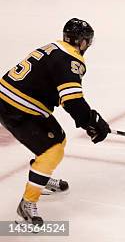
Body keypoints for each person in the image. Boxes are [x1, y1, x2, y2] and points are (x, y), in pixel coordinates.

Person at [0, 18, 110, 225]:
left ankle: (40, 175)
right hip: (19, 108)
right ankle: (27, 203)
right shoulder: (71, 58)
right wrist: (91, 121)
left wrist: (88, 120)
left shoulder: (54, 47)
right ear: (83, 42)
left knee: (58, 139)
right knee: (53, 150)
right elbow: (71, 100)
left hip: (10, 99)